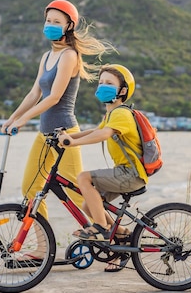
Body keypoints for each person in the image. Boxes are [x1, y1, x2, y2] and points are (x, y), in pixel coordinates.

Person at [2, 0, 113, 221]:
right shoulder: (46, 57)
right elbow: (35, 94)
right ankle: (42, 249)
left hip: (65, 133)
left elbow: (54, 97)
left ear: (69, 26)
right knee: (30, 189)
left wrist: (23, 120)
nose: (50, 25)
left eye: (57, 21)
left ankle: (114, 234)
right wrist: (11, 118)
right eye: (48, 20)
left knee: (78, 193)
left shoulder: (69, 55)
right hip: (45, 134)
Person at [58, 64, 148, 272]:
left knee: (83, 178)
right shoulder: (111, 115)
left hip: (130, 174)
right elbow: (94, 130)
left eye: (109, 83)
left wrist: (73, 143)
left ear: (122, 91)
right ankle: (123, 236)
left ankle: (101, 230)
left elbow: (103, 134)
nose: (102, 86)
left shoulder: (122, 114)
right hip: (124, 173)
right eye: (101, 83)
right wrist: (68, 137)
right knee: (90, 204)